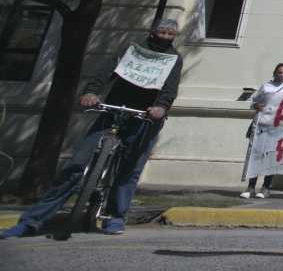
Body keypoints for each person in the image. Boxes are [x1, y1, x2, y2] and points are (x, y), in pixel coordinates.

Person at [2, 19, 182, 239]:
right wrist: (92, 92)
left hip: (145, 117)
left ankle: (115, 216)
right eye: (162, 32)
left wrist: (161, 107)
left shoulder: (173, 58)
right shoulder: (132, 50)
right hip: (114, 109)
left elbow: (170, 88)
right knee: (76, 165)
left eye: (170, 34)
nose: (165, 36)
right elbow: (106, 72)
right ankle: (30, 222)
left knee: (130, 170)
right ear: (152, 32)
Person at [241, 62, 283, 199]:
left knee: (271, 157)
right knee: (256, 156)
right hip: (261, 126)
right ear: (274, 73)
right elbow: (254, 101)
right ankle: (251, 187)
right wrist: (256, 106)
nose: (282, 75)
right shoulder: (266, 86)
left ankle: (266, 187)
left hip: (277, 127)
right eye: (279, 72)